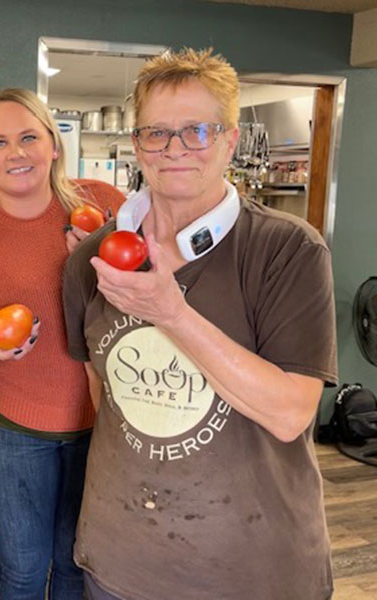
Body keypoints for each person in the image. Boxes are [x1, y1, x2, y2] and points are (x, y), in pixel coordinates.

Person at [63, 48, 337, 600]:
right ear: (137, 144)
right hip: (121, 566)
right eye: (157, 133)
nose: (175, 149)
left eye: (197, 131)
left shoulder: (288, 251)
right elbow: (104, 393)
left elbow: (290, 414)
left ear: (230, 139)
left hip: (255, 572)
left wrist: (172, 314)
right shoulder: (90, 261)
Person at [0, 88, 126, 599]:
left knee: (78, 565)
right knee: (24, 571)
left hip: (104, 423)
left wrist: (101, 264)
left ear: (54, 145)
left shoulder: (102, 206)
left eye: (29, 137)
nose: (16, 153)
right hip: (10, 430)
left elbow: (160, 291)